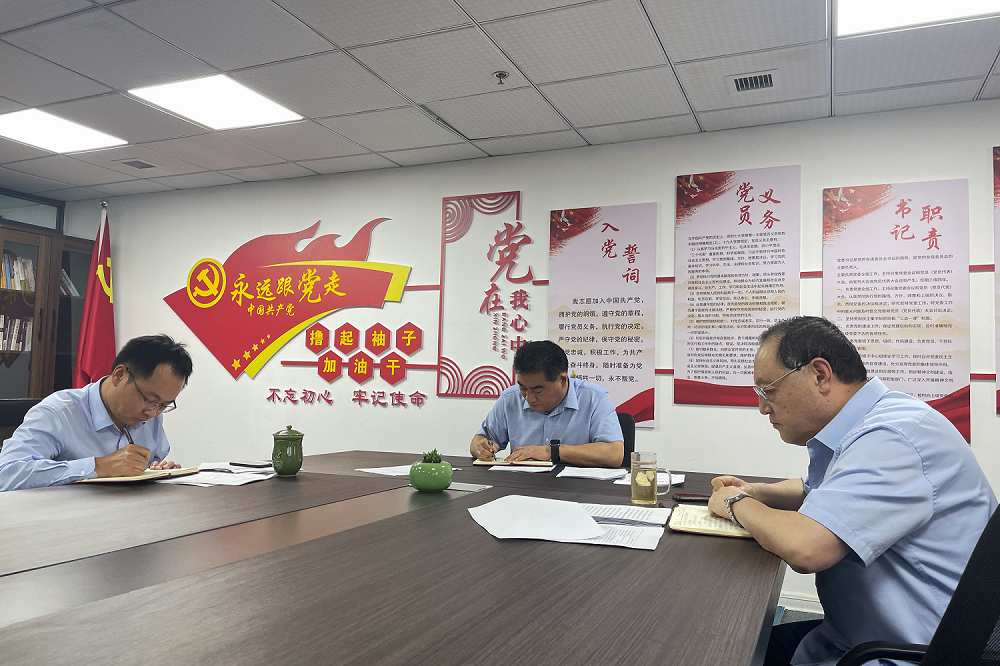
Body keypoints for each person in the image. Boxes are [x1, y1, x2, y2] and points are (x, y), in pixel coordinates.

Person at [707, 316, 996, 666]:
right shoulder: (873, 420)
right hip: (856, 636)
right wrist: (757, 491)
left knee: (716, 651)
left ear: (820, 375)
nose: (763, 407)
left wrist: (734, 502)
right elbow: (818, 491)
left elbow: (806, 548)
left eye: (769, 390)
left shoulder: (893, 437)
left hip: (908, 653)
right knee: (731, 643)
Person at [0, 334, 193, 491]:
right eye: (149, 399)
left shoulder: (152, 416)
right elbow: (6, 475)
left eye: (163, 405)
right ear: (119, 375)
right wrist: (98, 466)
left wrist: (159, 471)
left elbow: (149, 466)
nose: (152, 413)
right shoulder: (59, 413)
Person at [470, 340, 624, 467]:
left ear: (562, 380)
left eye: (538, 390)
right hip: (522, 486)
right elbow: (479, 440)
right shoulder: (510, 398)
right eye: (523, 388)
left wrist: (551, 451)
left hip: (577, 488)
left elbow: (614, 454)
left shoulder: (594, 398)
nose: (529, 398)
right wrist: (481, 448)